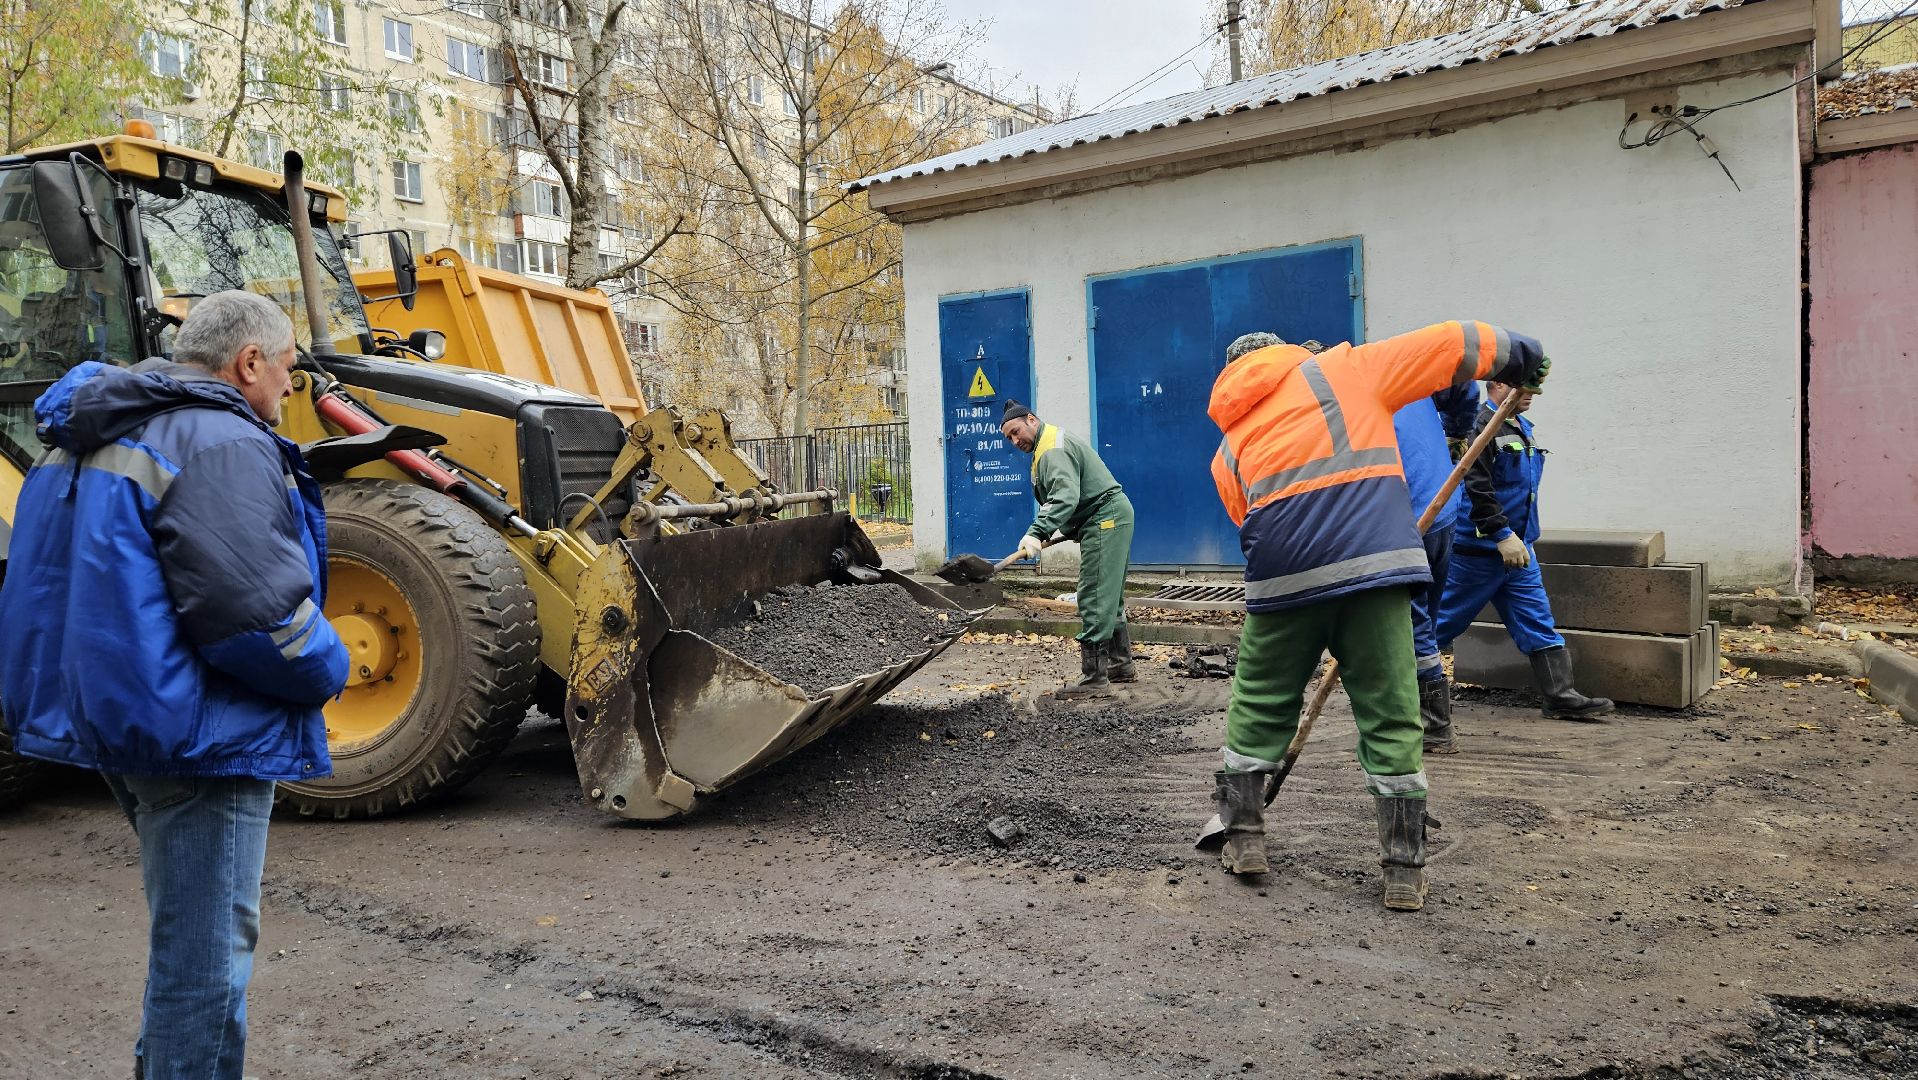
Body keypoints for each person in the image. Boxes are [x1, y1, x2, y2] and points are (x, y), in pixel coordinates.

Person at [0, 291, 349, 1080]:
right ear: (249, 362)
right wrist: (331, 667)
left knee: (190, 944)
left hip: (124, 717)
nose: (293, 387)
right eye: (289, 369)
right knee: (203, 963)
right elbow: (255, 617)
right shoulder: (221, 440)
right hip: (200, 734)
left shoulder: (86, 429)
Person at [1208, 323, 1546, 911]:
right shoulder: (1345, 369)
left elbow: (1246, 521)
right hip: (1375, 571)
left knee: (1260, 701)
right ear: (1286, 354)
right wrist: (1519, 354)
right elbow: (1447, 346)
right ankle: (1403, 872)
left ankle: (1243, 838)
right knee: (1391, 711)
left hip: (1284, 584)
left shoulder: (1229, 444)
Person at [1435, 380, 1614, 724]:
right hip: (1479, 553)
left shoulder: (1518, 426)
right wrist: (1500, 533)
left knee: (1537, 621)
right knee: (1441, 623)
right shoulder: (1478, 425)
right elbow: (1475, 486)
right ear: (1498, 385)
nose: (1530, 396)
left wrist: (1518, 539)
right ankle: (1400, 695)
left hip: (1519, 551)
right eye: (1523, 388)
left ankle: (1561, 697)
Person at [999, 398, 1136, 697]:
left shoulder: (1051, 449)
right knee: (1108, 594)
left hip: (1106, 518)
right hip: (1107, 516)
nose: (1014, 440)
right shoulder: (1046, 445)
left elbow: (1064, 497)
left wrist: (1037, 531)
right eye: (1009, 437)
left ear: (1031, 420)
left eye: (1015, 431)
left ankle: (1095, 679)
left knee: (1095, 594)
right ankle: (1120, 664)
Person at [1392, 385, 1483, 755]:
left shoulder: (1337, 397)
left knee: (1410, 626)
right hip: (1442, 508)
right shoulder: (1396, 372)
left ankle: (1434, 726)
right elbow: (1460, 380)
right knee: (1420, 623)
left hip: (1407, 518)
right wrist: (1458, 430)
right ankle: (1416, 712)